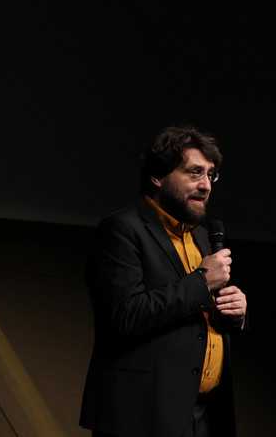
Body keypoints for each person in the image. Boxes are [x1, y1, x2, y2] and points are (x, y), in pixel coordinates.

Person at [79, 125, 248, 437]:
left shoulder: (201, 238)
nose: (206, 185)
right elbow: (122, 316)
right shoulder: (121, 230)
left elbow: (196, 323)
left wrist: (235, 313)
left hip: (204, 413)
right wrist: (201, 282)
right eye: (195, 172)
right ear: (158, 176)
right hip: (142, 415)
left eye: (211, 175)